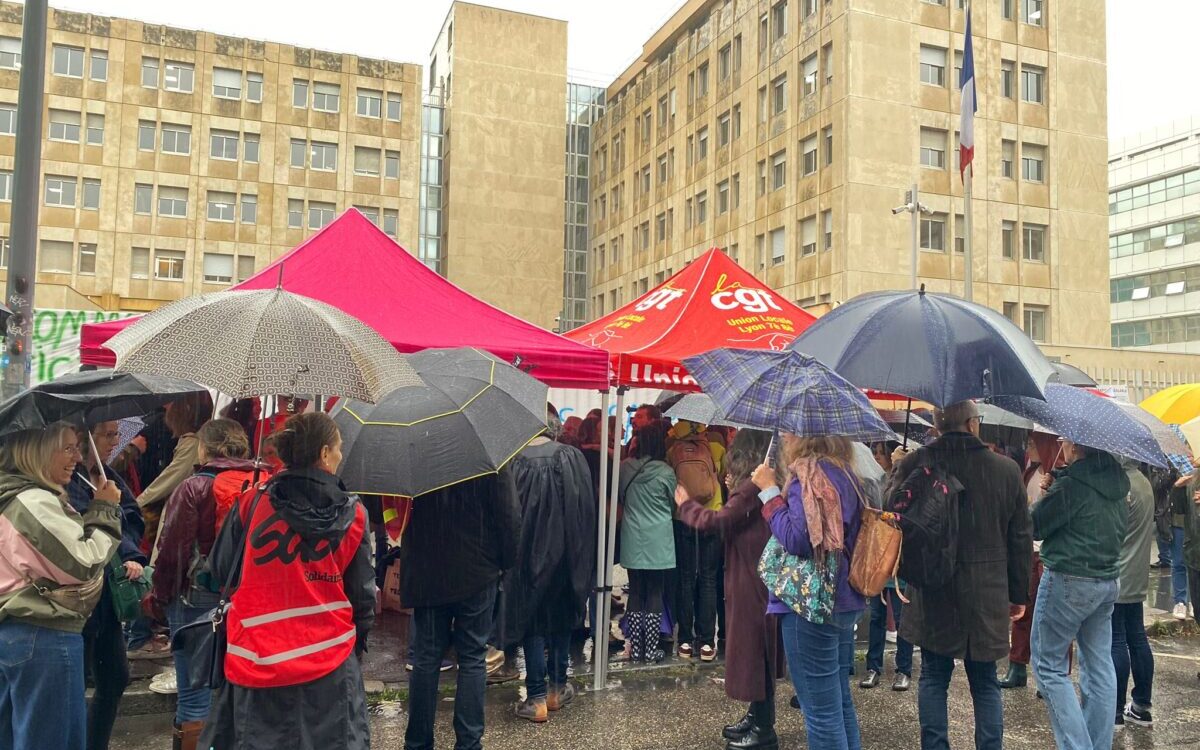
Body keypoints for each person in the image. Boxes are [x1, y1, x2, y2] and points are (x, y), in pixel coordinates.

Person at [200, 412, 375, 750]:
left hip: (256, 659)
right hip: (330, 659)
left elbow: (221, 571)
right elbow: (362, 596)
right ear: (324, 454)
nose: (341, 456)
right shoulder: (353, 515)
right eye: (338, 449)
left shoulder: (251, 504)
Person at [892, 401, 1032, 750]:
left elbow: (891, 518)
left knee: (934, 677)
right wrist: (1018, 594)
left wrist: (899, 469)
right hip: (987, 591)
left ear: (937, 426)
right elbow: (1020, 540)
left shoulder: (919, 462)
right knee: (985, 681)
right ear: (973, 424)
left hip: (933, 584)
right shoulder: (1006, 470)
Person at [0, 423, 122, 750]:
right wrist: (106, 509)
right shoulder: (32, 500)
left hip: (19, 632)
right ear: (39, 451)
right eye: (68, 448)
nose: (77, 457)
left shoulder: (14, 496)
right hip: (43, 635)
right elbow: (83, 563)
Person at [144, 418, 261, 747]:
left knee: (194, 695)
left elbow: (174, 550)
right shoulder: (263, 482)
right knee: (235, 689)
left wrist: (160, 596)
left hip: (197, 596)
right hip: (247, 596)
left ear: (204, 447)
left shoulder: (194, 486)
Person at [753, 434, 866, 750]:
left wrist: (769, 492)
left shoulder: (809, 474)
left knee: (820, 714)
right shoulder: (845, 472)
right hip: (842, 598)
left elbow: (799, 540)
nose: (785, 435)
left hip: (810, 604)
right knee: (840, 704)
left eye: (790, 429)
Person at [675, 429, 784, 750]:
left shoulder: (752, 487)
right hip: (752, 574)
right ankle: (758, 716)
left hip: (752, 579)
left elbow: (718, 520)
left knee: (755, 650)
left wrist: (685, 506)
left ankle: (764, 729)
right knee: (757, 649)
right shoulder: (758, 484)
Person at [401, 468, 519, 750]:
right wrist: (505, 562)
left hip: (428, 570)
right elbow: (509, 516)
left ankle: (417, 743)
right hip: (477, 570)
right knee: (473, 657)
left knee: (426, 659)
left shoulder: (416, 454)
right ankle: (468, 743)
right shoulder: (489, 461)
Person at [1031, 440, 1128, 750]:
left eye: (1064, 440)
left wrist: (1047, 494)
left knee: (1049, 666)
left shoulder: (1073, 485)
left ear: (1074, 445)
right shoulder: (1115, 482)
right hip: (1106, 580)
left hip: (1069, 577)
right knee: (1099, 666)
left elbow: (1035, 525)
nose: (1061, 445)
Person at [66, 422, 147, 750]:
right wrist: (103, 506)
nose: (116, 441)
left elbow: (129, 516)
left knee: (114, 678)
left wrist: (130, 553)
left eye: (117, 433)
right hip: (79, 598)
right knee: (75, 684)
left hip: (107, 598)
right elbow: (82, 531)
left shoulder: (108, 476)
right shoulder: (67, 481)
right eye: (108, 435)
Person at [505, 432, 596, 723]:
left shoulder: (515, 462)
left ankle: (536, 698)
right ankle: (557, 687)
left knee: (533, 621)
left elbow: (510, 513)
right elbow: (585, 511)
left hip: (528, 555)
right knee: (560, 614)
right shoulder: (571, 457)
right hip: (567, 552)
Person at [1000, 430, 1062, 690]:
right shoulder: (1029, 473)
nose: (1028, 446)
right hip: (1027, 551)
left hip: (1047, 552)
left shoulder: (1060, 478)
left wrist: (1053, 489)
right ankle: (1017, 667)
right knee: (1022, 611)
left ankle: (1050, 675)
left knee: (1049, 616)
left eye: (1033, 442)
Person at [618, 422, 676, 663]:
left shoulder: (624, 468)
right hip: (659, 538)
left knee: (635, 590)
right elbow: (673, 505)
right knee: (654, 590)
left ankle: (637, 646)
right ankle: (651, 649)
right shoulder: (666, 472)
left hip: (632, 535)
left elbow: (620, 496)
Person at [668, 419, 724, 662]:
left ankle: (685, 642)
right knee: (709, 578)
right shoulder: (715, 447)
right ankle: (707, 643)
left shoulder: (671, 449)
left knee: (686, 577)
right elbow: (720, 477)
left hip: (683, 515)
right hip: (712, 513)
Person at [1112, 458, 1155, 728]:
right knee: (1137, 638)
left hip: (1118, 573)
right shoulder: (1143, 482)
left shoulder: (1121, 485)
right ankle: (1141, 704)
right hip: (1138, 573)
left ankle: (1114, 710)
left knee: (1115, 642)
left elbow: (1113, 529)